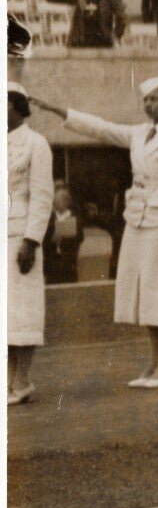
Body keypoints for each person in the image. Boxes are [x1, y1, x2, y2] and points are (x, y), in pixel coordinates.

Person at [32, 76, 158, 388]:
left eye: (155, 98)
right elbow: (100, 128)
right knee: (142, 292)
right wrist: (58, 110)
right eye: (145, 99)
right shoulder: (139, 133)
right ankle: (154, 362)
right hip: (136, 220)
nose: (148, 104)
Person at [9, 85, 54, 404]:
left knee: (23, 309)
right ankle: (7, 381)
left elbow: (42, 196)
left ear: (17, 107)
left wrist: (31, 240)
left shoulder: (36, 143)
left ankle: (22, 380)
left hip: (20, 237)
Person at [44, 182, 84, 285]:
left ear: (67, 202)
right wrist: (51, 240)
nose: (57, 204)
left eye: (60, 201)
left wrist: (66, 239)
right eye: (56, 201)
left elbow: (80, 237)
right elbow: (44, 239)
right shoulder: (50, 219)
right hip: (53, 261)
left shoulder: (74, 217)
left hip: (69, 259)